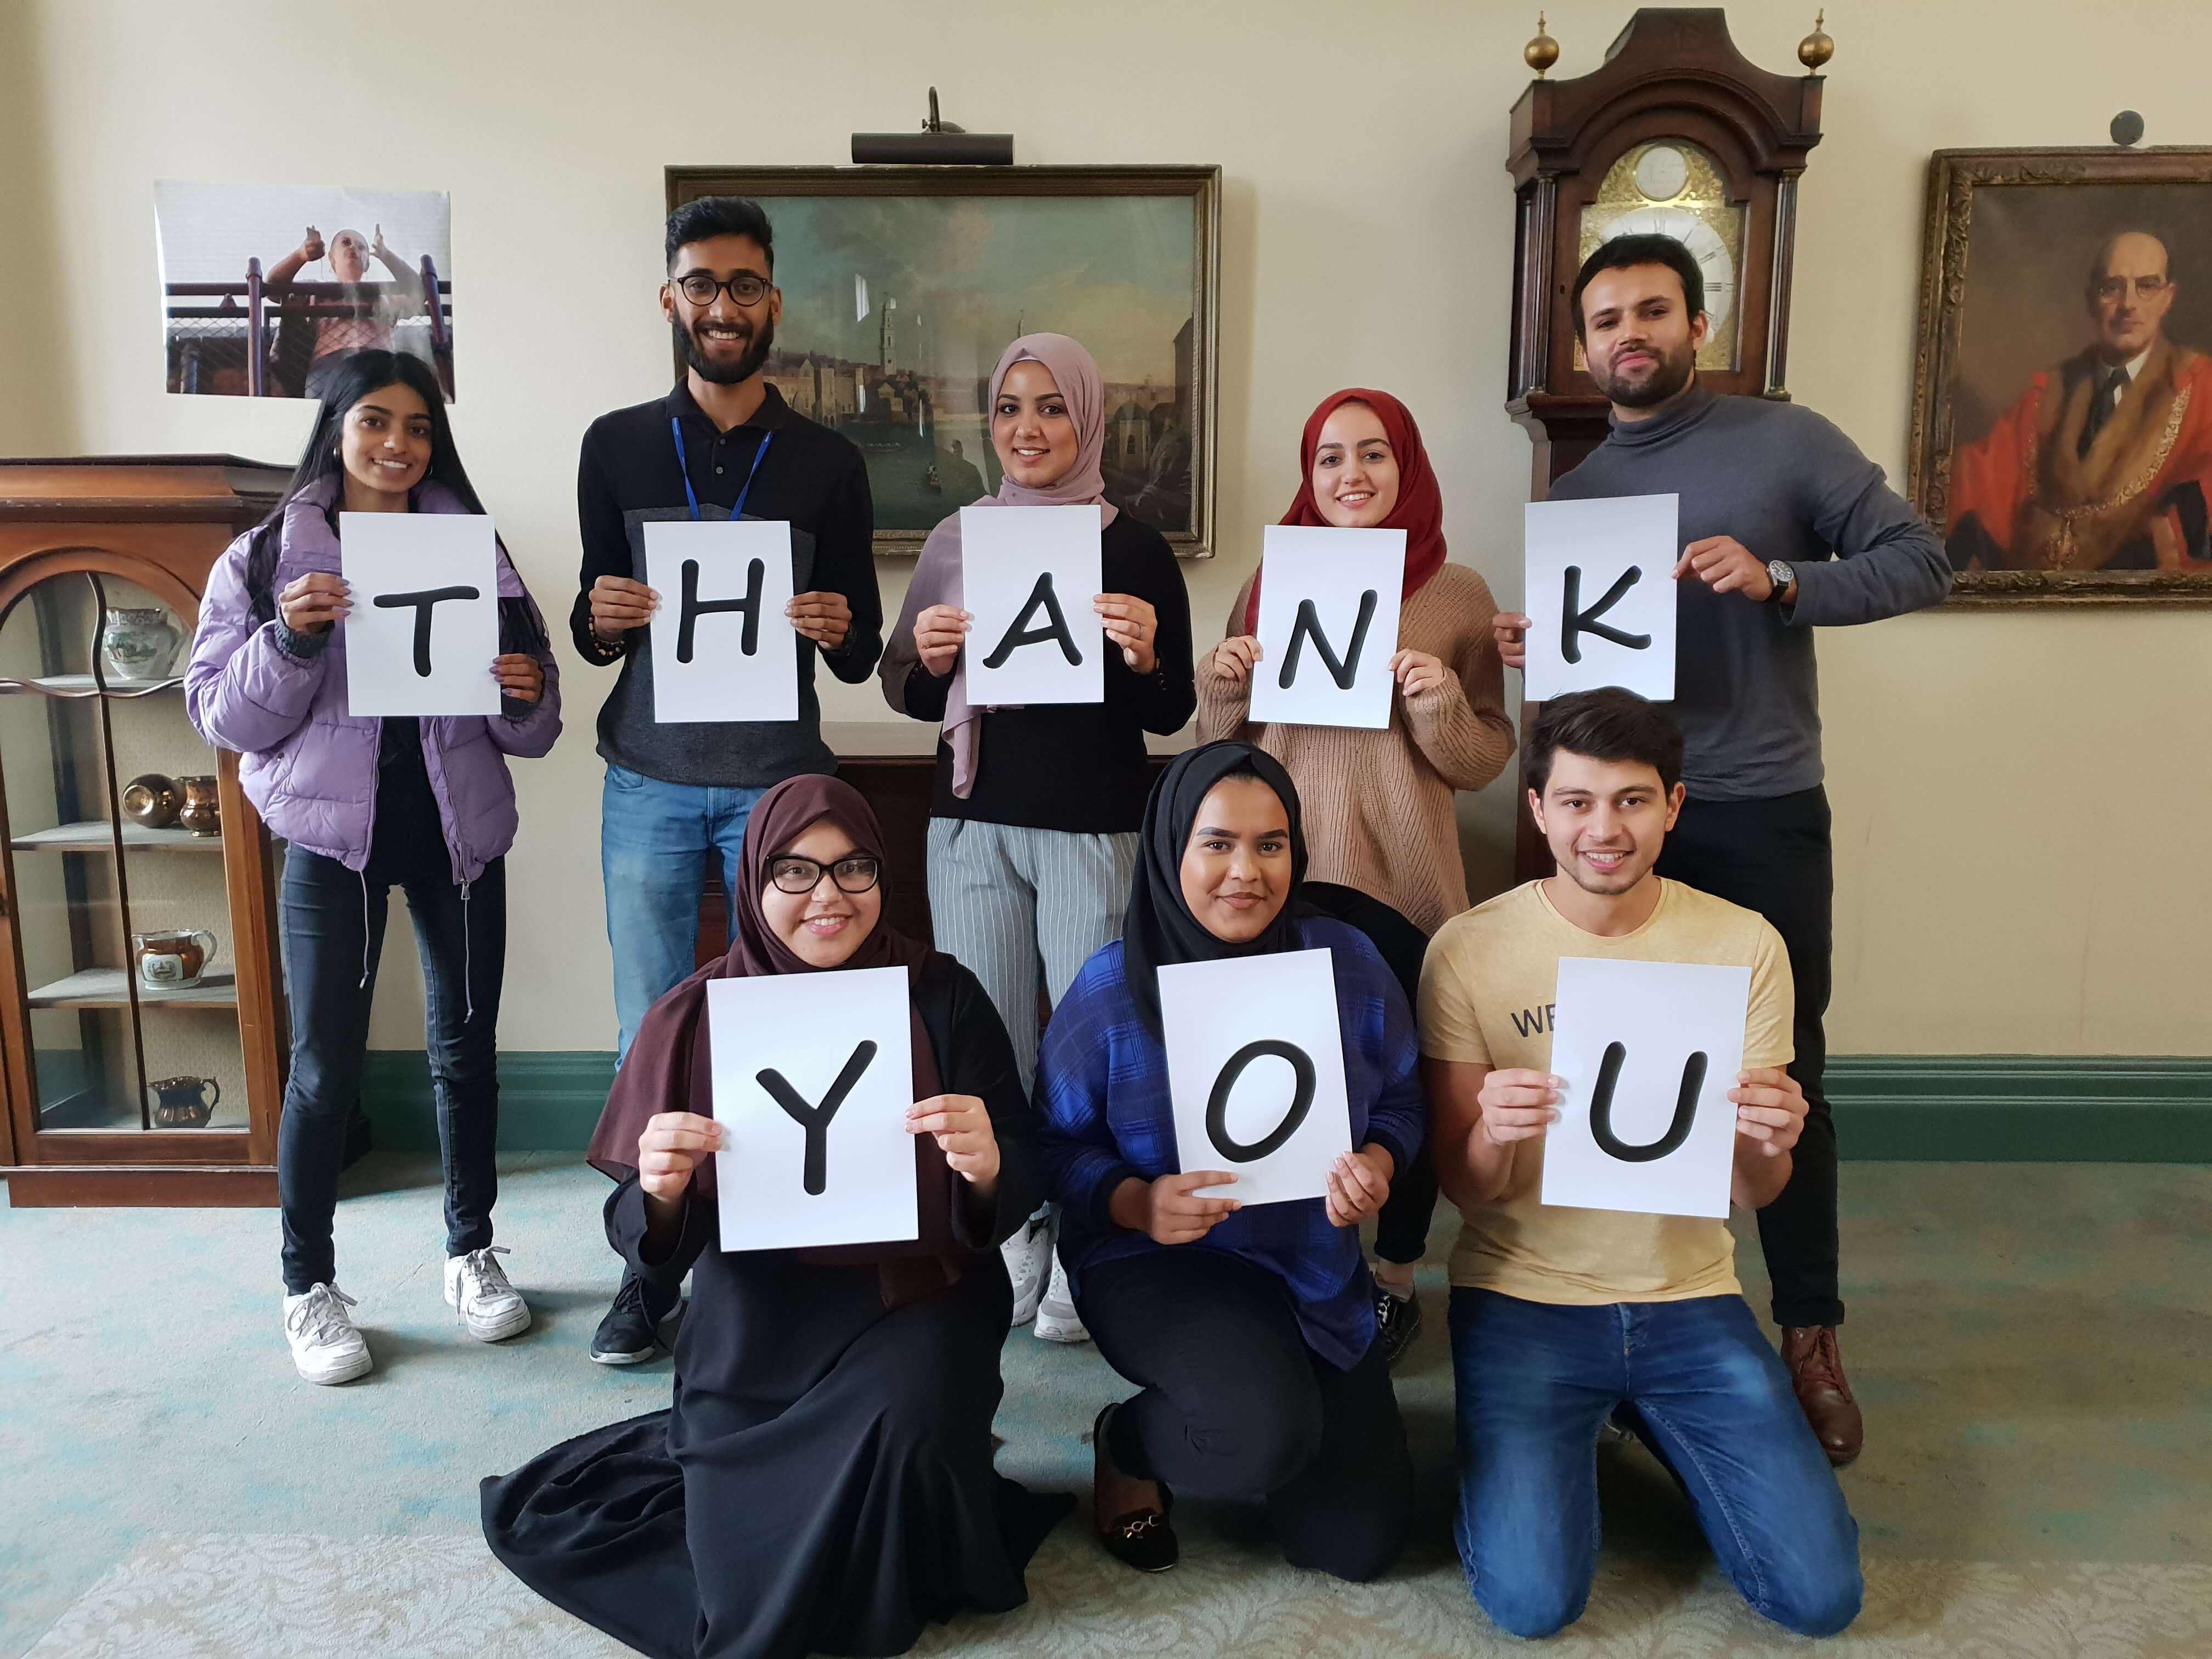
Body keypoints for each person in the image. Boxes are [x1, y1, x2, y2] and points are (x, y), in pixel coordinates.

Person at [1493, 233, 1954, 1464]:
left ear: (1700, 326)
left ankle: (1810, 1331)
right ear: (1584, 346)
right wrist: (1531, 650)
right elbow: (1587, 687)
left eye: (1652, 311)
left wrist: (1786, 580)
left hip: (1755, 804)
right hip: (1617, 827)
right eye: (1606, 320)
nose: (1627, 334)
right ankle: (1639, 1313)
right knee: (1611, 1065)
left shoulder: (1786, 442)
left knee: (1784, 1076)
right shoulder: (1579, 498)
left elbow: (1925, 561)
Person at [481, 776, 1070, 1659]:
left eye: (853, 868)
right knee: (751, 1580)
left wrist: (989, 1167)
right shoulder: (693, 1015)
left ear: (883, 874)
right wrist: (664, 1189)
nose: (828, 896)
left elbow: (1022, 1167)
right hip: (757, 1317)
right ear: (753, 883)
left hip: (915, 1303)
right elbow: (640, 1236)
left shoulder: (943, 995)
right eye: (794, 872)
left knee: (904, 1434)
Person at [1422, 688, 1862, 1640]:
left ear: (1674, 805)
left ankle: (1650, 1417)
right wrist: (1492, 1130)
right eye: (1576, 801)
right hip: (1522, 1296)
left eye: (1630, 799)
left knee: (1821, 1596)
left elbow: (1755, 1191)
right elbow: (1467, 1185)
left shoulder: (1742, 943)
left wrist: (1767, 1138)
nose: (1603, 828)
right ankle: (1543, 1448)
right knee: (1534, 1600)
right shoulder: (1467, 949)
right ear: (1537, 809)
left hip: (1688, 1293)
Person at [183, 349, 560, 1385]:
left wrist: (521, 690)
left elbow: (534, 725)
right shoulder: (266, 556)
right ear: (337, 429)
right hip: (327, 840)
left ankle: (470, 1250)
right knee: (323, 1067)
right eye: (376, 423)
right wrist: (292, 638)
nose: (398, 444)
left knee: (465, 1047)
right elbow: (220, 712)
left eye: (420, 426)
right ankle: (308, 1285)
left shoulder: (475, 551)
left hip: (458, 834)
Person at [574, 194, 883, 1366]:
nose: (722, 306)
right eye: (701, 284)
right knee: (647, 1034)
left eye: (744, 286)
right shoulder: (613, 444)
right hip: (648, 777)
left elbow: (856, 652)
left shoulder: (828, 459)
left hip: (777, 788)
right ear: (672, 298)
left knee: (791, 1029)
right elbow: (599, 625)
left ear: (773, 304)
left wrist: (837, 620)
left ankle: (791, 1262)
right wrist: (596, 618)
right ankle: (646, 1276)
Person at [1035, 741, 1421, 1579]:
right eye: (1217, 843)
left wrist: (1381, 1164)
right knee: (1255, 1435)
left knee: (1355, 1547)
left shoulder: (1346, 964)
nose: (1246, 871)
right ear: (1173, 849)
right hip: (1161, 1263)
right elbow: (1053, 1150)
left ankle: (1273, 1397)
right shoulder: (1109, 989)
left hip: (1310, 1258)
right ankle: (1128, 1441)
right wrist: (1136, 1202)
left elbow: (1402, 1098)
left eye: (1271, 845)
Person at [882, 332, 1195, 1346]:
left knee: (1094, 1043)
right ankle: (1015, 1221)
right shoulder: (955, 537)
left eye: (1052, 407)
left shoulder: (1135, 546)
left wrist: (1145, 652)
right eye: (1010, 407)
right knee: (990, 1038)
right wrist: (929, 657)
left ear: (1088, 418)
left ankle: (1087, 1229)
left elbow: (1172, 705)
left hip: (1090, 825)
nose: (1028, 428)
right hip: (971, 822)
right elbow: (903, 688)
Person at [1198, 388, 1514, 1364]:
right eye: (1329, 457)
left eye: (1372, 454)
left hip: (1404, 875)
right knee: (1281, 1065)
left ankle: (1394, 1269)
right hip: (1279, 873)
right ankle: (1283, 1256)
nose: (1350, 475)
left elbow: (1484, 756)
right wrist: (1223, 683)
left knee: (1410, 1073)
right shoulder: (1269, 577)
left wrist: (1438, 701)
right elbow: (1220, 749)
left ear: (1406, 464)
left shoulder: (1456, 590)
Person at [1947, 230, 2212, 572]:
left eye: (2147, 286)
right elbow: (1982, 474)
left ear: (2168, 298)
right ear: (2091, 300)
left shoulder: (2202, 390)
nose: (2128, 304)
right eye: (2112, 288)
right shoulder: (2050, 392)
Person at [264, 224, 431, 398]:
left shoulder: (384, 294)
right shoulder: (318, 291)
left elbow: (418, 293)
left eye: (361, 247)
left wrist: (386, 254)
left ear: (367, 262)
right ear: (332, 258)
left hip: (377, 362)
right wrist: (301, 255)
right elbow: (273, 289)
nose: (353, 247)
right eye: (346, 243)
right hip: (328, 365)